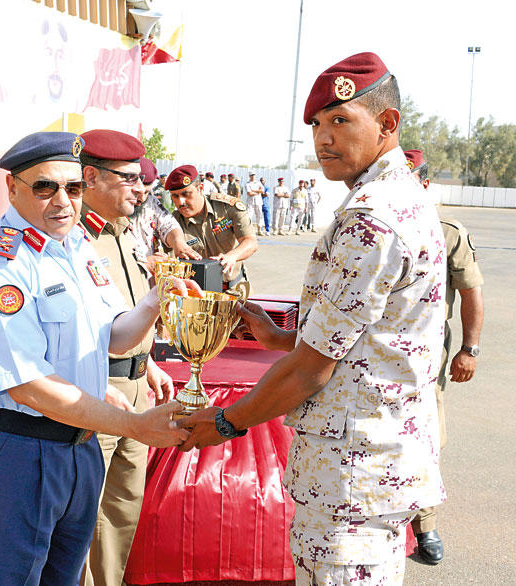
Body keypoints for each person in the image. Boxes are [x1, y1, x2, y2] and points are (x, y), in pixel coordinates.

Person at [178, 52, 446, 585]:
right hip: (372, 468)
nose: (323, 138)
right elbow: (367, 338)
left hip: (353, 479)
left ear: (387, 123)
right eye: (318, 125)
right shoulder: (398, 199)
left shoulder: (372, 218)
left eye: (341, 120)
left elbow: (311, 370)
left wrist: (226, 422)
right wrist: (281, 337)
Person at [0, 131, 192, 585]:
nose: (63, 201)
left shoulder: (74, 247)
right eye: (45, 187)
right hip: (18, 449)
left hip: (79, 448)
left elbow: (114, 337)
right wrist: (134, 425)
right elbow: (28, 385)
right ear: (13, 187)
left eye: (74, 187)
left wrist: (154, 301)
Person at [76, 132, 195, 586]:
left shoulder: (123, 233)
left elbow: (124, 312)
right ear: (91, 177)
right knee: (86, 512)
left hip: (136, 384)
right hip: (97, 390)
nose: (140, 188)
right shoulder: (74, 238)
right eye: (128, 178)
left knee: (122, 506)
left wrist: (148, 364)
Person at [405, 148, 484, 565]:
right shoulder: (368, 225)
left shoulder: (448, 232)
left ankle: (425, 524)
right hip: (370, 356)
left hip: (425, 360)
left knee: (428, 438)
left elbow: (471, 293)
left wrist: (470, 348)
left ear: (425, 183)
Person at [166, 164, 258, 290]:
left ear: (200, 188)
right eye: (175, 196)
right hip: (196, 294)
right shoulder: (172, 223)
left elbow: (250, 241)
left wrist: (232, 256)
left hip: (234, 290)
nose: (180, 202)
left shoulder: (227, 208)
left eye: (186, 194)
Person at [128, 157, 201, 274]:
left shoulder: (151, 202)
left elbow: (168, 225)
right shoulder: (109, 208)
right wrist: (143, 264)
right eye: (136, 192)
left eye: (146, 192)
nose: (141, 198)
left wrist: (179, 243)